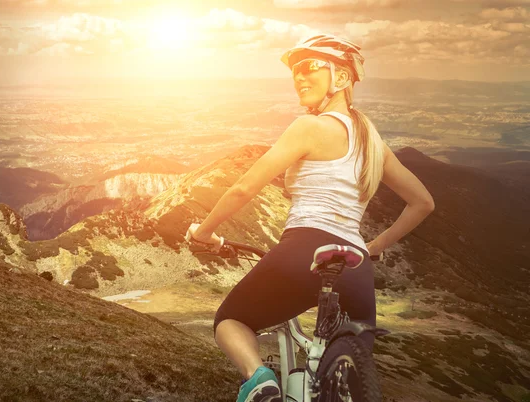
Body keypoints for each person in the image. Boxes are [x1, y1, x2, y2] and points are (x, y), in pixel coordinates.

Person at [185, 34, 435, 402]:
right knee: (348, 378)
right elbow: (423, 203)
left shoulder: (309, 127)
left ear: (343, 78)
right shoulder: (374, 143)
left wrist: (203, 232)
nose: (299, 77)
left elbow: (242, 189)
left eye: (311, 67)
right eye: (295, 71)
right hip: (358, 267)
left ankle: (260, 382)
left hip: (304, 249)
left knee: (230, 321)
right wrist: (374, 247)